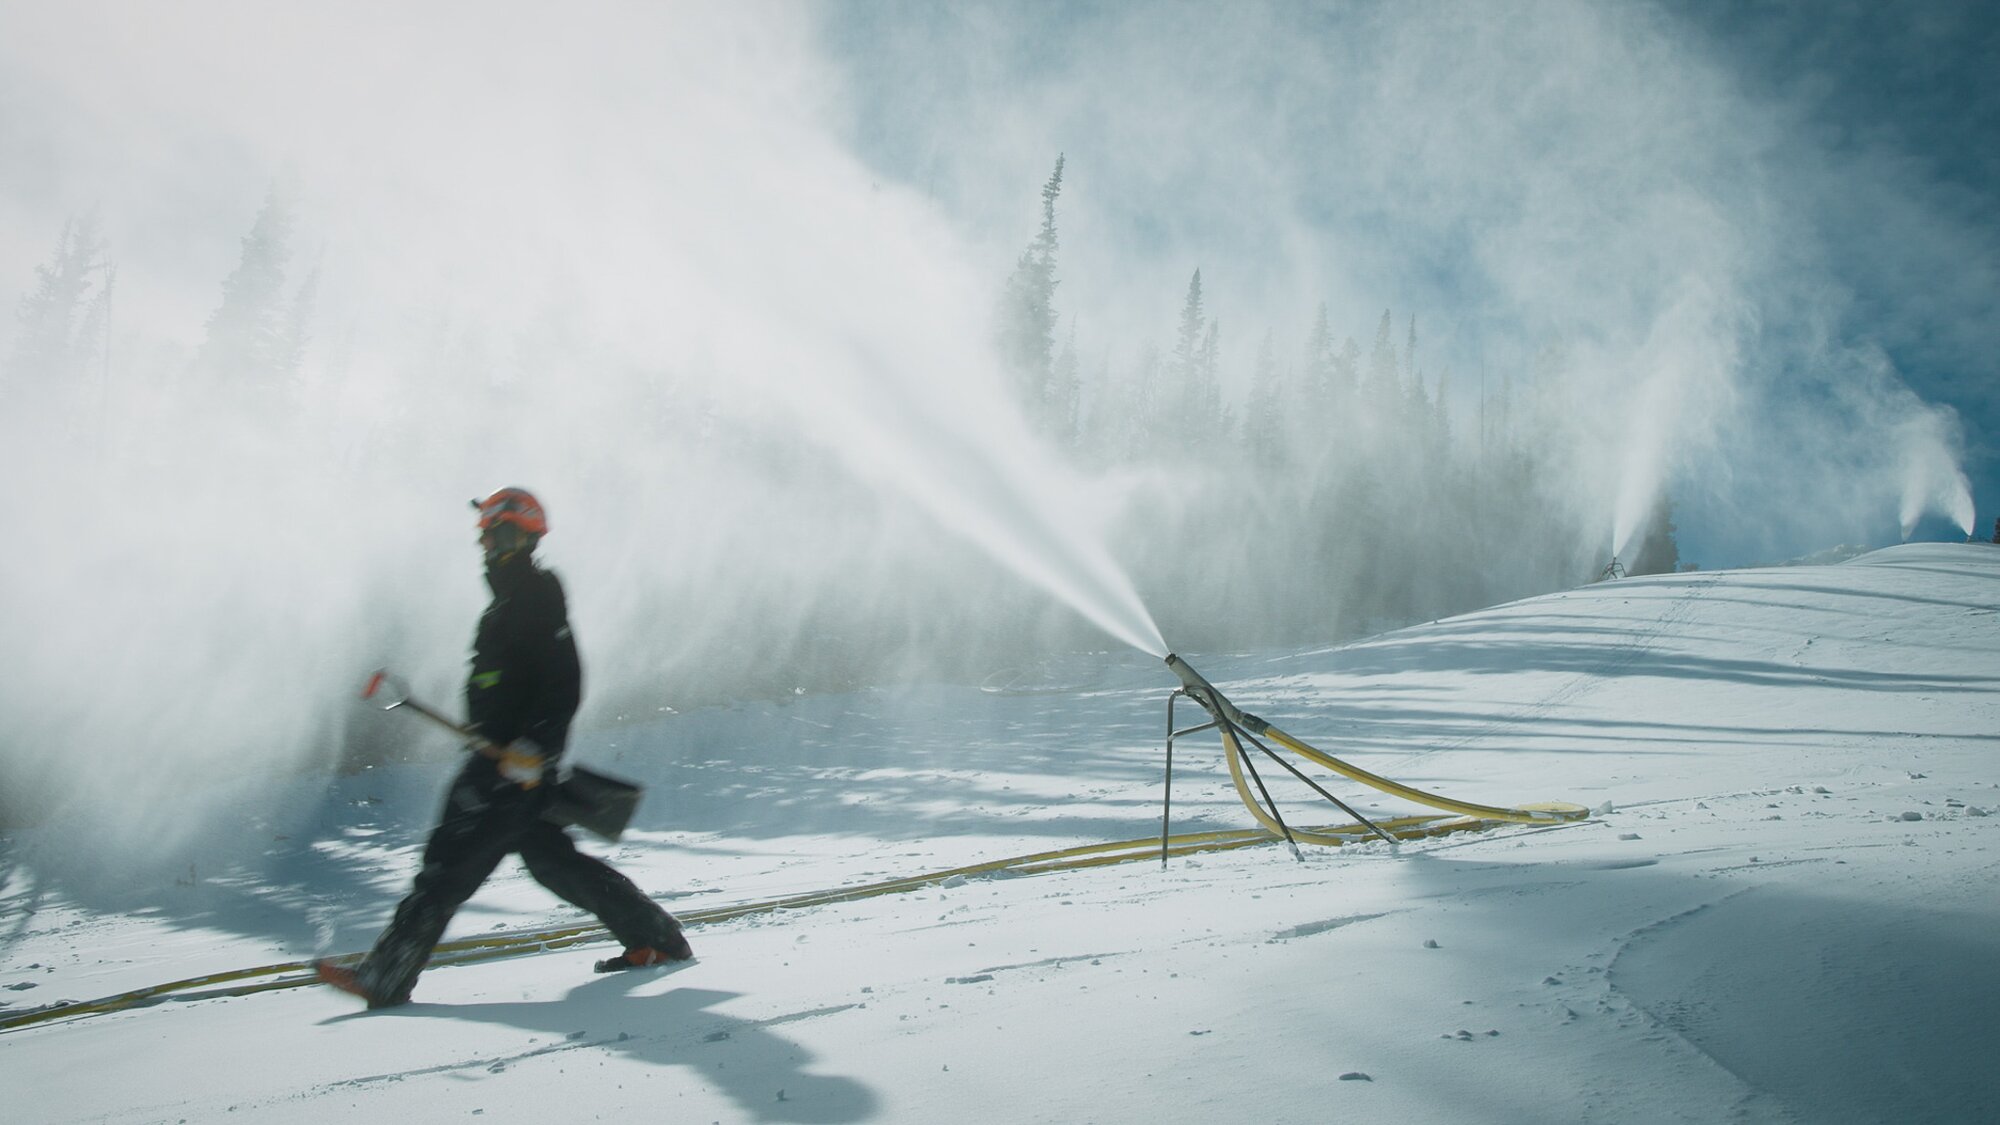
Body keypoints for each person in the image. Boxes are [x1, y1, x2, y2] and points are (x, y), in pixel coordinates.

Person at [317, 487, 691, 1008]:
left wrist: (535, 748)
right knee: (553, 862)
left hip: (510, 768)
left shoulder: (535, 594)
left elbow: (564, 680)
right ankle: (658, 940)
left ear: (527, 536)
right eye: (488, 536)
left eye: (503, 534)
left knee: (445, 867)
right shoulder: (506, 604)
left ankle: (386, 974)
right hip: (507, 761)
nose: (492, 545)